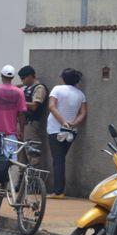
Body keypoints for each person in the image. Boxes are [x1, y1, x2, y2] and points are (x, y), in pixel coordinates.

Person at [47, 68, 88, 199]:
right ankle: (59, 190)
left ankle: (58, 191)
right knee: (60, 158)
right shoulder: (81, 94)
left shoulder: (57, 89)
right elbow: (83, 113)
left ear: (63, 78)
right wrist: (73, 124)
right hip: (71, 131)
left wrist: (63, 122)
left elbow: (52, 106)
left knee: (58, 160)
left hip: (55, 130)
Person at [17, 65, 48, 170]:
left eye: (23, 78)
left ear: (30, 76)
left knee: (32, 153)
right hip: (22, 124)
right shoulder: (27, 88)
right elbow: (15, 87)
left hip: (31, 124)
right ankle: (21, 181)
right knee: (21, 155)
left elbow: (35, 106)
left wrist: (20, 103)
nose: (22, 81)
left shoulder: (39, 88)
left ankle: (34, 182)